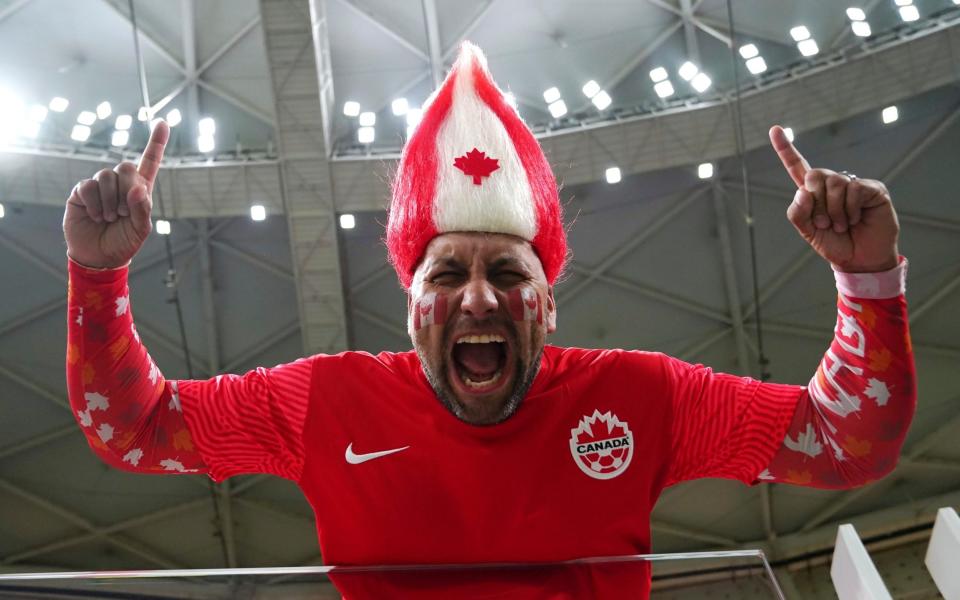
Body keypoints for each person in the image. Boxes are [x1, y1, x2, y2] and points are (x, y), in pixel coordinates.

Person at [64, 42, 915, 598]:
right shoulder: (323, 403)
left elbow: (850, 444)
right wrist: (98, 277)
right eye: (449, 274)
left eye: (508, 273)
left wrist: (867, 278)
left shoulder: (642, 395)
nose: (477, 299)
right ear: (411, 310)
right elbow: (133, 428)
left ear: (548, 305)